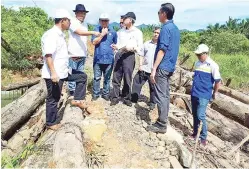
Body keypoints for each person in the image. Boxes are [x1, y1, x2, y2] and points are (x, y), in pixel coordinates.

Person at [41, 9, 90, 130]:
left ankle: (77, 99)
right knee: (54, 98)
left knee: (82, 77)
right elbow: (48, 55)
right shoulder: (51, 35)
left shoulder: (61, 34)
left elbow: (60, 53)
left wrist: (70, 55)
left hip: (64, 71)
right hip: (55, 74)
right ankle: (51, 123)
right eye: (68, 21)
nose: (70, 23)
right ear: (62, 20)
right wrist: (53, 73)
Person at [146, 3, 180, 133]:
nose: (158, 15)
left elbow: (162, 49)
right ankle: (163, 120)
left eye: (159, 12)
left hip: (163, 66)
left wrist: (154, 68)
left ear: (164, 13)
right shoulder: (175, 28)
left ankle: (161, 124)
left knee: (160, 95)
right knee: (165, 95)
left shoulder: (165, 28)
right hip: (170, 66)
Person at [111, 12, 143, 107]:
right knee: (116, 76)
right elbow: (118, 44)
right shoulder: (120, 32)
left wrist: (133, 48)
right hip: (119, 54)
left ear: (130, 20)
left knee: (127, 78)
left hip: (129, 56)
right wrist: (115, 47)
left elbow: (140, 47)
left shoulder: (137, 32)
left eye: (125, 18)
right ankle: (115, 97)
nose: (123, 20)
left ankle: (126, 98)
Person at [191, 44, 221, 146]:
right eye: (197, 55)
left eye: (200, 55)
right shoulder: (197, 63)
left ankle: (203, 138)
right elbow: (195, 75)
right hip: (194, 92)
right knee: (195, 114)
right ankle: (195, 133)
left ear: (206, 54)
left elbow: (218, 81)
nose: (198, 56)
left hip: (204, 94)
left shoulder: (213, 65)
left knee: (200, 115)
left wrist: (215, 93)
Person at [68, 4, 100, 96]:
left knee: (80, 73)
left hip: (82, 53)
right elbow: (79, 32)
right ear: (76, 13)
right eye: (81, 13)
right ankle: (71, 93)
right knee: (73, 73)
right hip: (73, 53)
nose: (82, 15)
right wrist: (93, 32)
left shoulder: (85, 24)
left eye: (84, 13)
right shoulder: (72, 22)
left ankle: (78, 93)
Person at [131, 27, 160, 110]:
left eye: (158, 33)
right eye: (155, 32)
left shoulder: (161, 46)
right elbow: (141, 54)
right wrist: (140, 65)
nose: (156, 34)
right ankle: (134, 98)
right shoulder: (147, 44)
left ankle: (152, 103)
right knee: (136, 81)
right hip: (144, 68)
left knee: (153, 87)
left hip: (154, 71)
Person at [91, 13, 117, 101]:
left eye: (106, 20)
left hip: (109, 59)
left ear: (108, 21)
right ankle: (96, 94)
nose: (104, 22)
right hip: (98, 59)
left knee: (107, 78)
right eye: (102, 20)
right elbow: (94, 42)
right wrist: (102, 34)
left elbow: (115, 43)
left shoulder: (113, 32)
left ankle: (105, 94)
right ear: (99, 21)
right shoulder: (96, 30)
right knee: (96, 78)